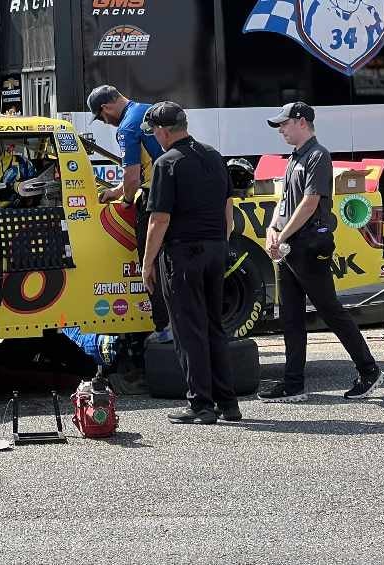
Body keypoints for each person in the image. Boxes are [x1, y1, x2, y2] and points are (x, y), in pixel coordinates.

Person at [261, 101, 384, 402]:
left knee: (330, 310)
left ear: (302, 121)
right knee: (290, 316)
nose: (280, 129)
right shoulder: (295, 158)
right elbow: (284, 202)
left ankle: (369, 370)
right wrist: (271, 230)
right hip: (291, 246)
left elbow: (311, 202)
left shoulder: (318, 155)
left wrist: (283, 235)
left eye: (285, 123)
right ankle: (293, 383)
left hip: (308, 245)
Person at [140, 102, 239, 425]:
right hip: (215, 249)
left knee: (188, 329)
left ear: (163, 131)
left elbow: (159, 219)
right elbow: (229, 212)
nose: (155, 137)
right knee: (214, 326)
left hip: (183, 253)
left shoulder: (166, 163)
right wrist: (220, 245)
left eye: (155, 131)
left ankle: (200, 404)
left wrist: (147, 263)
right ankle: (228, 402)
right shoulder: (213, 155)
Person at [88, 85, 171, 343]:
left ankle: (164, 328)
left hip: (154, 200)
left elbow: (133, 175)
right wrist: (116, 190)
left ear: (106, 108)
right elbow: (147, 166)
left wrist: (125, 199)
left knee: (153, 264)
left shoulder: (126, 127)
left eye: (102, 118)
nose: (105, 122)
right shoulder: (147, 110)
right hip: (176, 194)